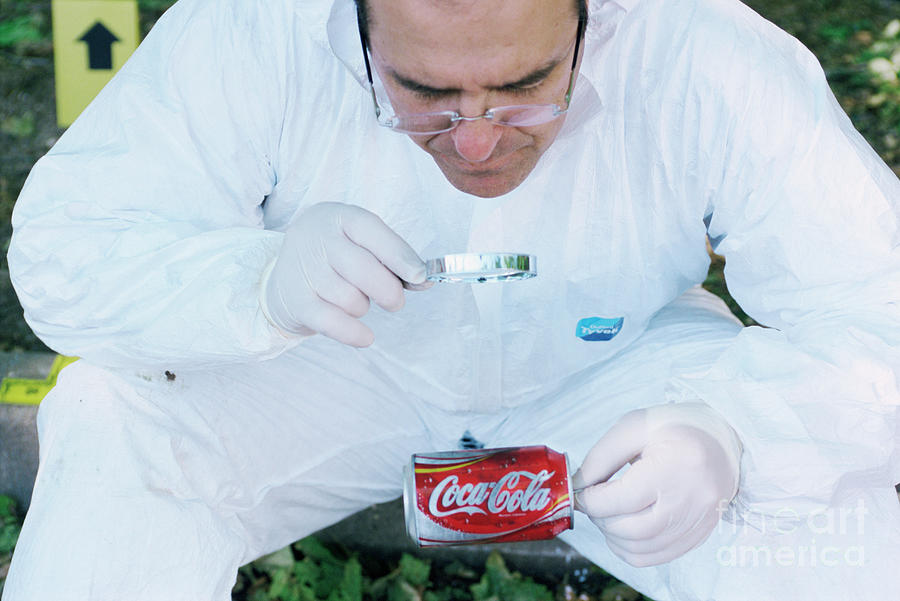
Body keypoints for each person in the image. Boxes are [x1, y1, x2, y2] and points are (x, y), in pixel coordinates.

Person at [4, 0, 899, 598]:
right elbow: (67, 248)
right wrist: (254, 278)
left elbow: (879, 308)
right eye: (424, 93)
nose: (476, 146)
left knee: (839, 508)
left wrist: (739, 431)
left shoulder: (708, 50)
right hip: (337, 364)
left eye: (524, 90)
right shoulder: (249, 27)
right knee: (117, 413)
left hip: (619, 369)